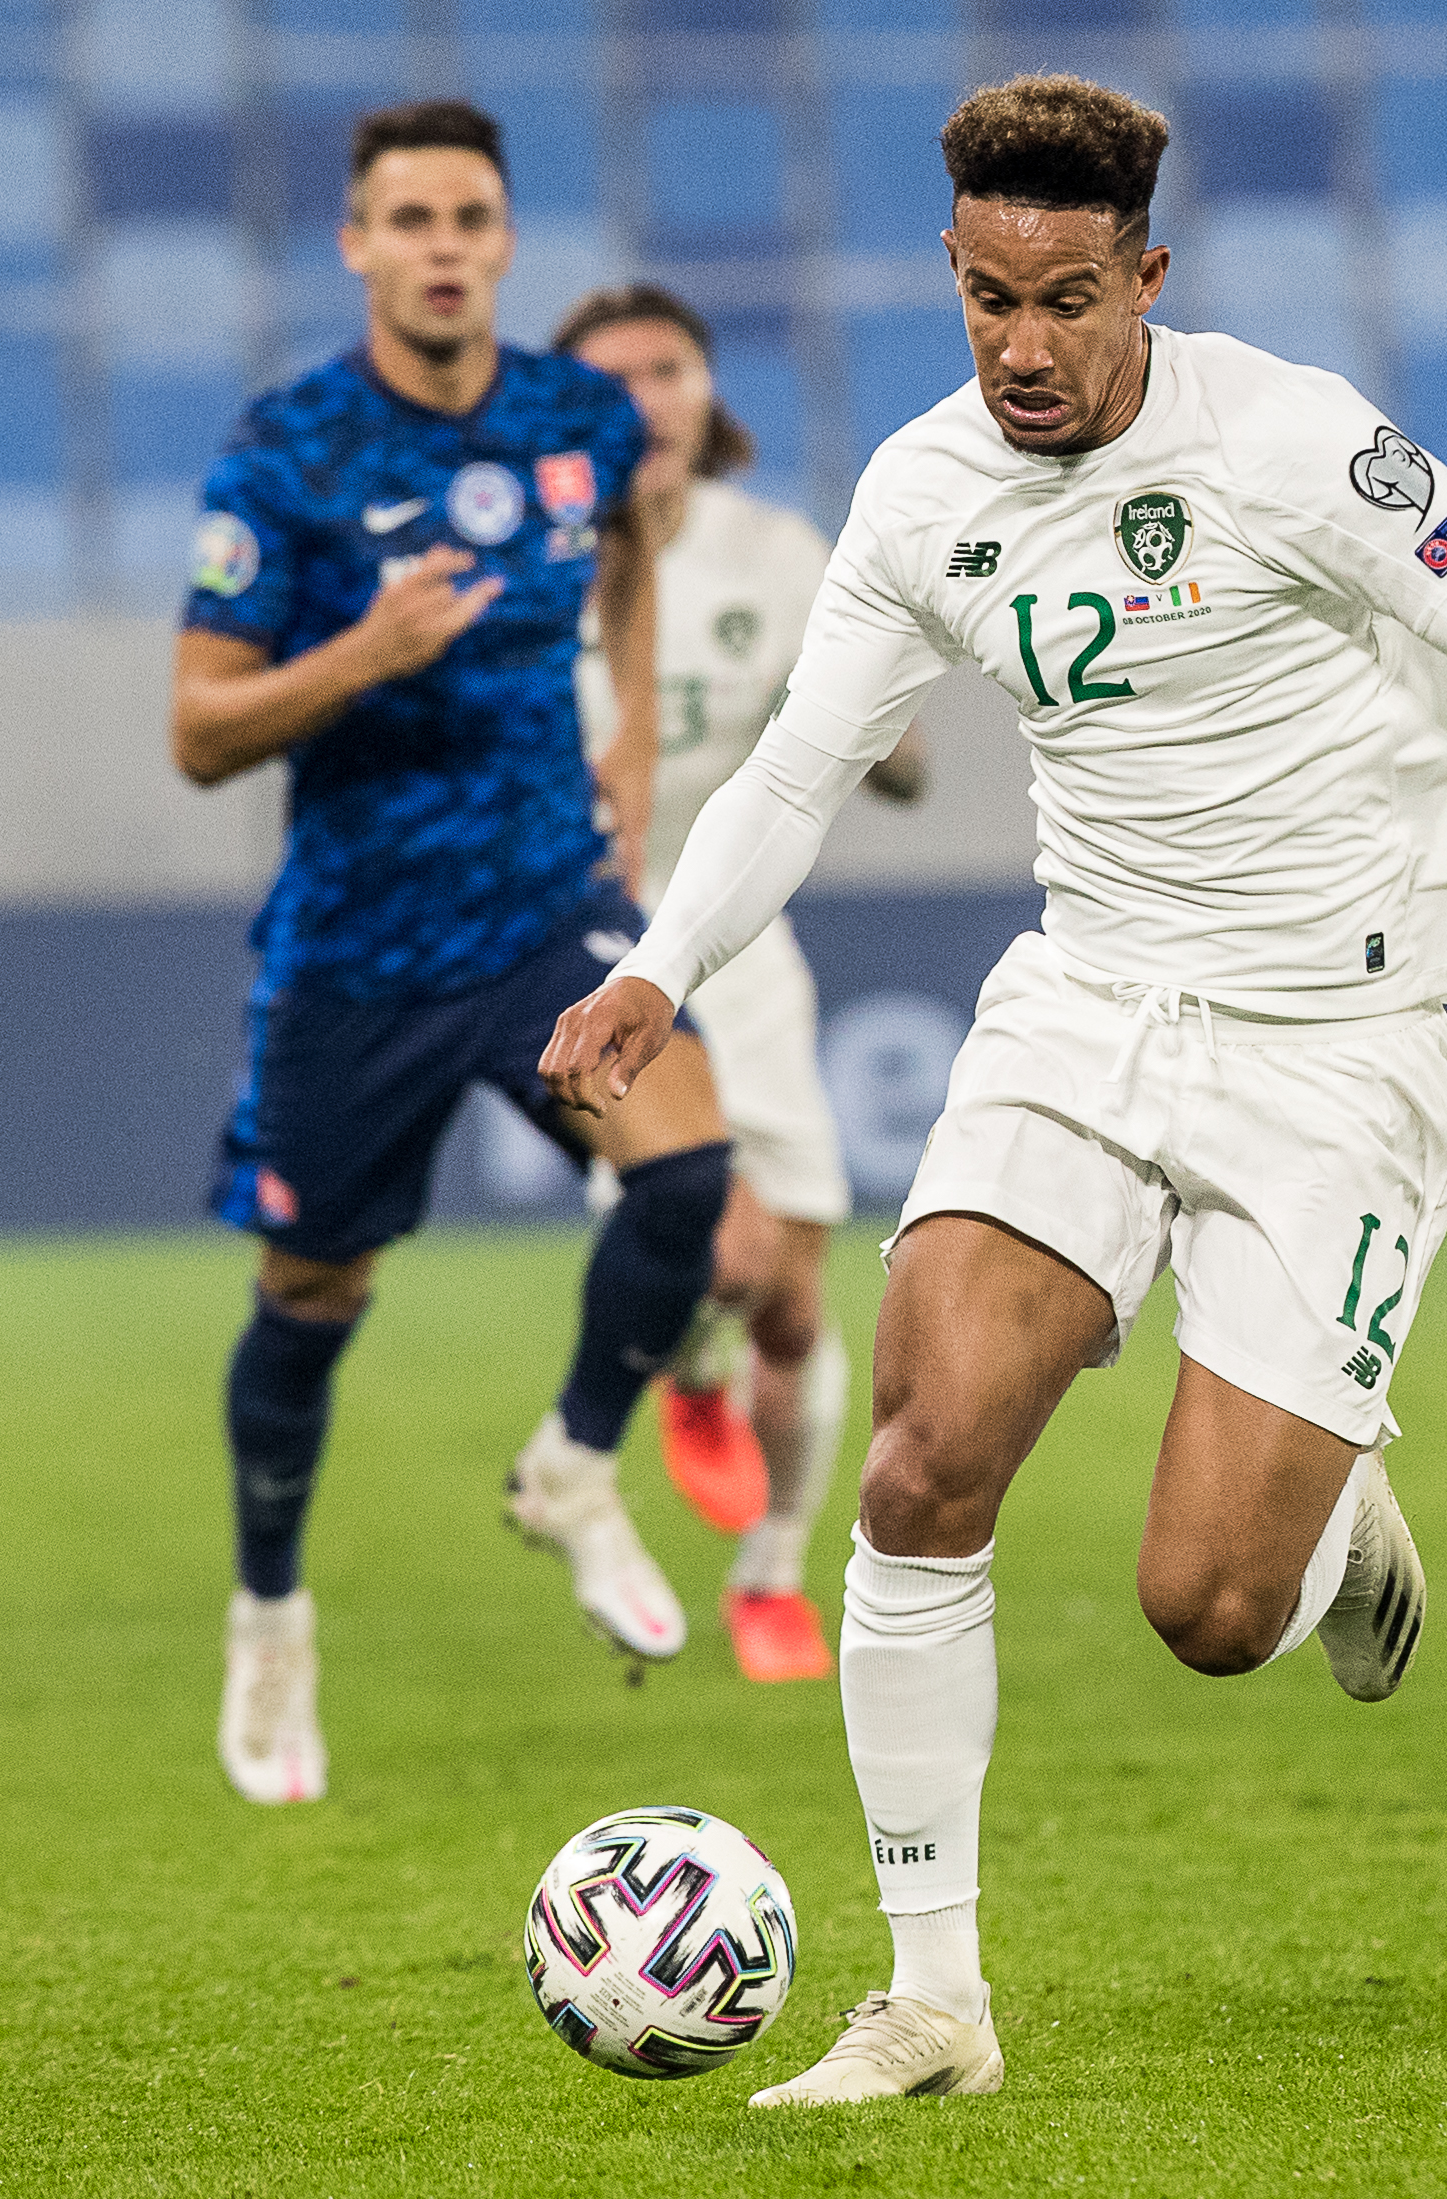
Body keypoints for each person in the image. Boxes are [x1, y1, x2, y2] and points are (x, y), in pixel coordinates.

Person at [544, 78, 1447, 2102]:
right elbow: (800, 761)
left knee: (1208, 1610)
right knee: (918, 1458)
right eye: (984, 299)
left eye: (1064, 298)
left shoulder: (1304, 446)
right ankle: (933, 1998)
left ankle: (1330, 1516)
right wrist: (653, 965)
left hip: (1332, 1050)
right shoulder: (916, 492)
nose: (1023, 347)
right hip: (1083, 1005)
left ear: (1144, 274)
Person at [171, 100, 736, 1807]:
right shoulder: (286, 455)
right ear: (356, 244)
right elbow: (199, 732)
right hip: (352, 948)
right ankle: (270, 1618)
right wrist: (361, 650)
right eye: (405, 218)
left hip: (540, 912)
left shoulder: (580, 418)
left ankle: (572, 1464)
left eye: (467, 218)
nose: (438, 246)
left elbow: (631, 562)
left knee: (691, 1177)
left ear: (502, 243)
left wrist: (628, 754)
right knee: (312, 1295)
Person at [556, 282, 932, 1684]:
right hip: (593, 949)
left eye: (668, 367)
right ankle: (692, 1362)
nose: (644, 396)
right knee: (710, 1244)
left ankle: (773, 1570)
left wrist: (877, 738)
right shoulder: (523, 568)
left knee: (789, 1291)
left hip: (739, 934)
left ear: (707, 396)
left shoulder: (777, 552)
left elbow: (886, 747)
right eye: (610, 375)